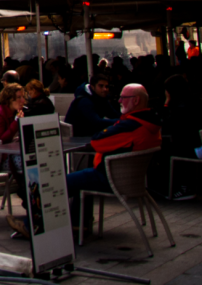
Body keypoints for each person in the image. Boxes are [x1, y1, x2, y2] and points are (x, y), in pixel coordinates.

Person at [66, 83, 161, 231]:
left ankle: (35, 223)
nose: (119, 101)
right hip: (133, 180)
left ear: (135, 101)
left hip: (111, 179)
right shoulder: (151, 124)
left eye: (123, 98)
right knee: (78, 180)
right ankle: (78, 224)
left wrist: (114, 125)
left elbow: (97, 141)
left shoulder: (130, 126)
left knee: (60, 184)